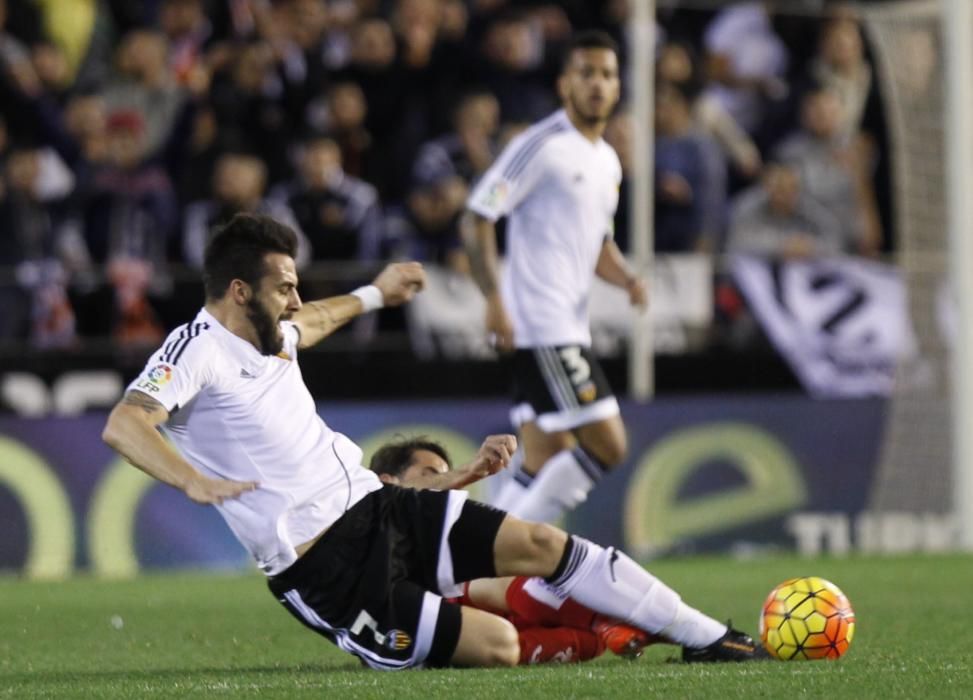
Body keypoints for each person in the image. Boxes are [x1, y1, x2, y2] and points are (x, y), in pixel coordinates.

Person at [102, 213, 762, 670]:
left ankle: (707, 637)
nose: (297, 300)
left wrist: (374, 293)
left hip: (376, 507)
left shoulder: (272, 331)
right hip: (325, 571)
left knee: (541, 544)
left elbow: (314, 320)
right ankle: (398, 642)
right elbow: (126, 422)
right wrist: (191, 480)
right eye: (284, 288)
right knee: (498, 646)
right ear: (239, 291)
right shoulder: (196, 350)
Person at [461, 30, 648, 523]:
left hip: (564, 323)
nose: (598, 84)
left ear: (617, 86)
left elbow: (597, 244)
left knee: (543, 458)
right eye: (586, 73)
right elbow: (479, 214)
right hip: (541, 325)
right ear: (566, 83)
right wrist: (493, 298)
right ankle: (507, 559)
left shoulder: (607, 161)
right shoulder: (541, 145)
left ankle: (476, 563)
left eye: (607, 74)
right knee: (608, 446)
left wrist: (627, 279)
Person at [368, 435, 658, 664]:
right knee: (500, 636)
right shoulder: (356, 533)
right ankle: (613, 621)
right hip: (404, 623)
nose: (443, 489)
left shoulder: (441, 542)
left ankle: (606, 624)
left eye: (445, 478)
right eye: (430, 475)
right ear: (386, 482)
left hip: (452, 615)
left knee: (587, 641)